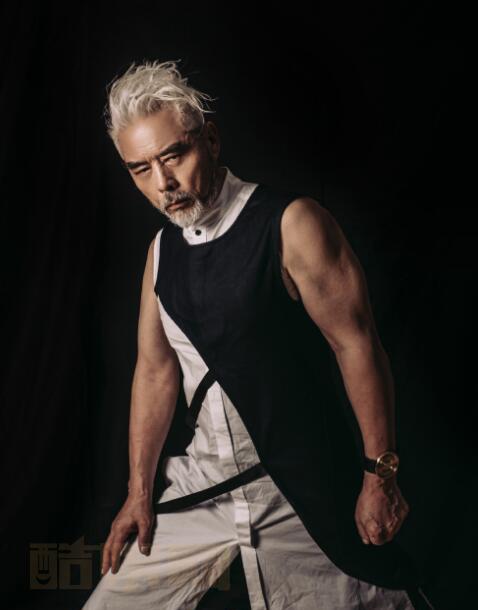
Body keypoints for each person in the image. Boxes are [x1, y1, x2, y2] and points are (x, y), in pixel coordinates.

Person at [82, 60, 436, 610]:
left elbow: (357, 344)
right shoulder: (161, 253)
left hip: (298, 490)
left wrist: (379, 477)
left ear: (211, 140)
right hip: (205, 489)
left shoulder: (292, 224)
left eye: (174, 156)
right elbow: (154, 372)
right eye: (141, 169)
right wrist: (138, 493)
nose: (163, 184)